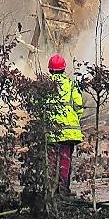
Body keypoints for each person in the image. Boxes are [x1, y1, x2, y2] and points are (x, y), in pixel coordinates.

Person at [46, 54, 84, 194]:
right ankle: (63, 189)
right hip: (69, 132)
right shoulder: (71, 84)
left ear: (50, 69)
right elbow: (78, 106)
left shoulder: (45, 85)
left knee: (51, 160)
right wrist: (75, 119)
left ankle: (51, 189)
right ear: (64, 69)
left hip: (51, 131)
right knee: (65, 161)